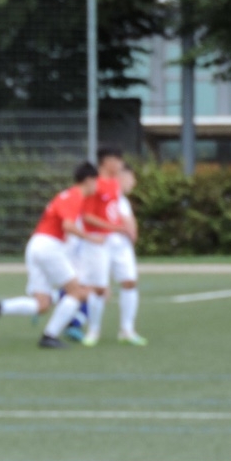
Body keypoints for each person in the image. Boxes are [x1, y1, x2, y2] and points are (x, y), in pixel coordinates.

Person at [0, 162, 102, 348]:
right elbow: (68, 226)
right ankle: (49, 336)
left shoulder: (65, 195)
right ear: (88, 180)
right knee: (78, 292)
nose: (97, 186)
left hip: (36, 245)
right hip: (49, 247)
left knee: (42, 304)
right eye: (96, 181)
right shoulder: (75, 196)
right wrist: (90, 238)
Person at [77, 147, 131, 347]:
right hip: (98, 240)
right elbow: (88, 216)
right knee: (98, 288)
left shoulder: (116, 183)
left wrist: (123, 228)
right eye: (118, 160)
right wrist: (116, 228)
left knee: (129, 281)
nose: (121, 164)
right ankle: (93, 331)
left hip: (117, 241)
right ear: (107, 161)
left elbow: (114, 211)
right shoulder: (95, 184)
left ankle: (127, 330)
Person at [108, 164, 147, 345]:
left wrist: (131, 233)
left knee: (130, 282)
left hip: (122, 247)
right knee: (93, 288)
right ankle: (88, 329)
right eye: (131, 177)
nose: (134, 182)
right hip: (101, 245)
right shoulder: (106, 196)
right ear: (120, 176)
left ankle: (127, 329)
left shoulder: (122, 200)